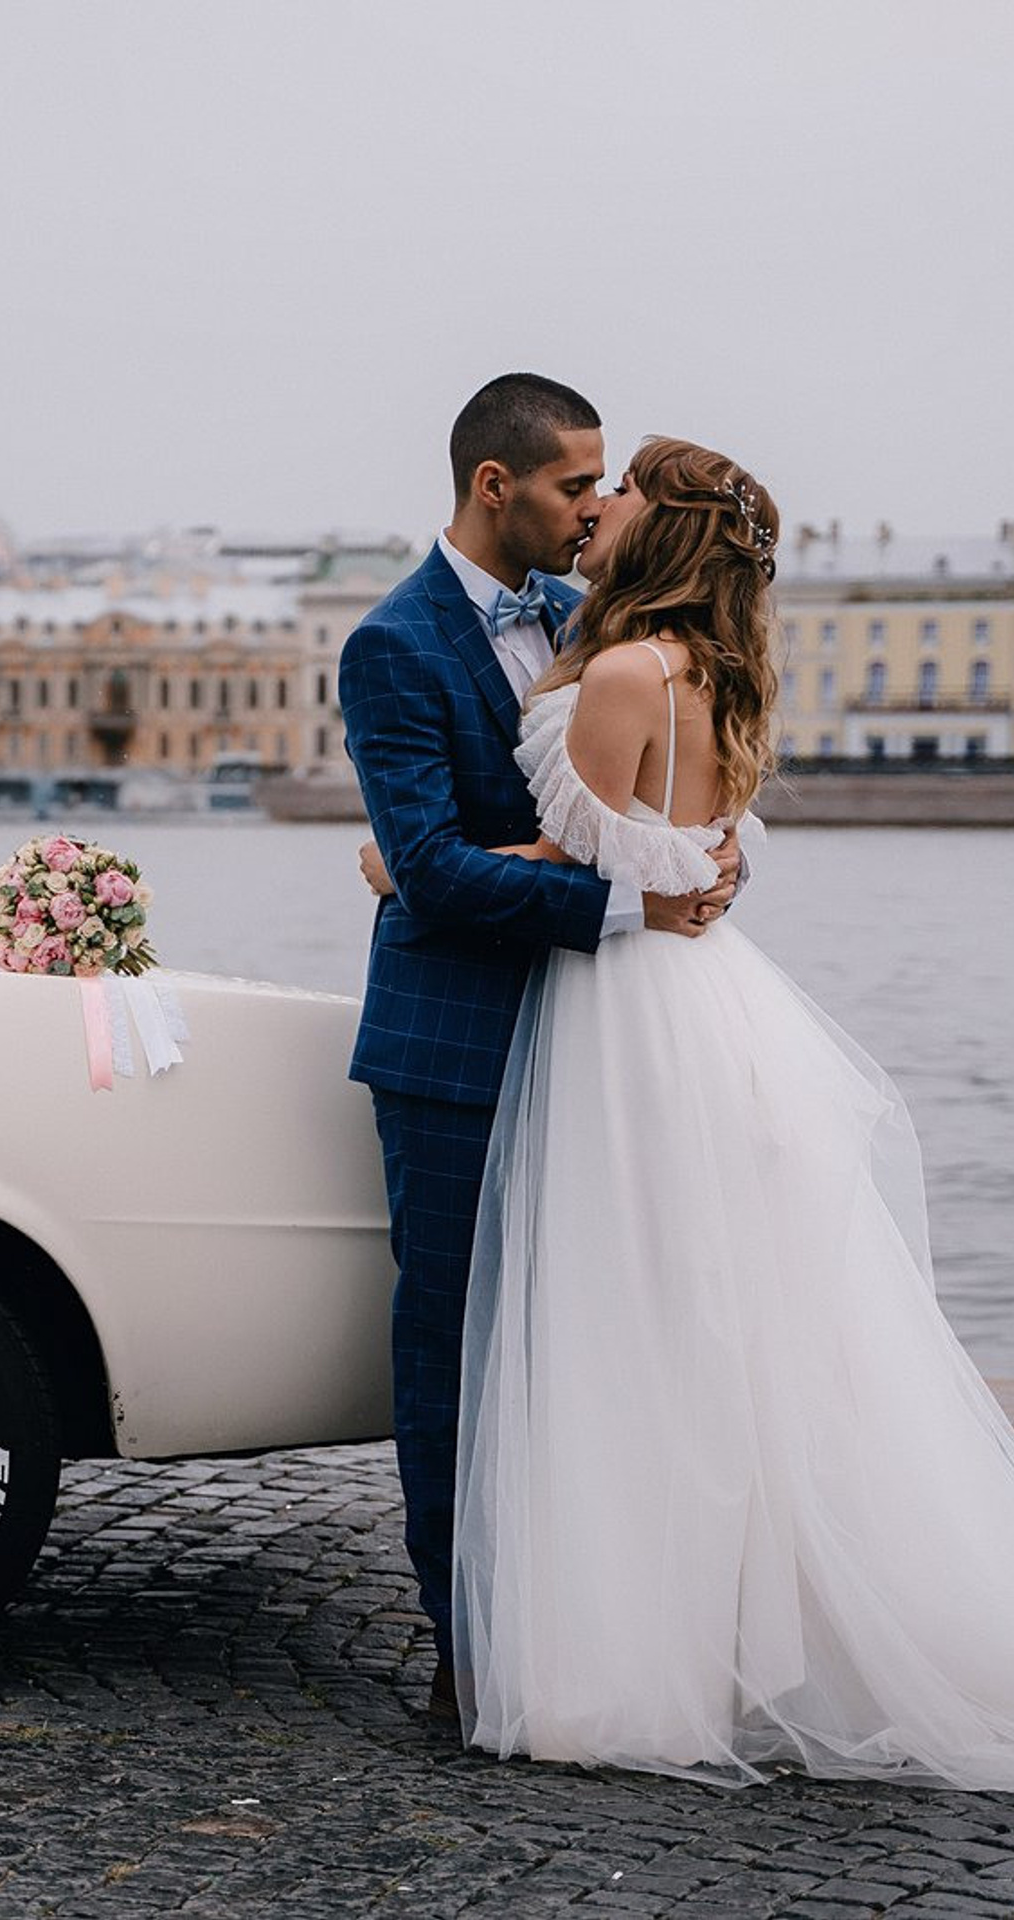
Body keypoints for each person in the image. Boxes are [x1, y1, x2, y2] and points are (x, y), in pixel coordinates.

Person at [400, 435, 1014, 1789]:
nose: (599, 501)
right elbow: (685, 849)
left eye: (621, 490)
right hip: (706, 997)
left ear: (662, 527)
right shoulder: (710, 671)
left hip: (630, 1011)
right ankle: (727, 1637)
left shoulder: (622, 670)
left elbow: (571, 857)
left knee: (624, 1324)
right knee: (710, 1328)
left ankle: (628, 1661)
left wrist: (406, 867)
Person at [338, 376, 739, 1723]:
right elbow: (440, 877)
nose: (593, 507)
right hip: (452, 1049)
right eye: (576, 484)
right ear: (493, 486)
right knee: (450, 1353)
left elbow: (642, 808)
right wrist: (637, 900)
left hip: (604, 1047)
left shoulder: (595, 626)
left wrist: (694, 865)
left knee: (594, 1340)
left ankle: (596, 1626)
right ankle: (468, 1654)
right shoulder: (392, 645)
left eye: (604, 482)